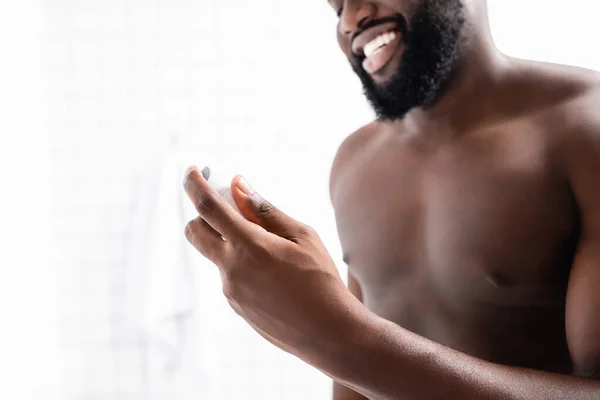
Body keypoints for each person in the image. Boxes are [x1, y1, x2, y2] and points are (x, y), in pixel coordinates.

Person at [182, 0, 600, 398]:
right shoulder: (354, 164)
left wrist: (333, 335)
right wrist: (324, 329)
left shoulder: (585, 129)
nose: (350, 21)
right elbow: (356, 385)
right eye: (337, 7)